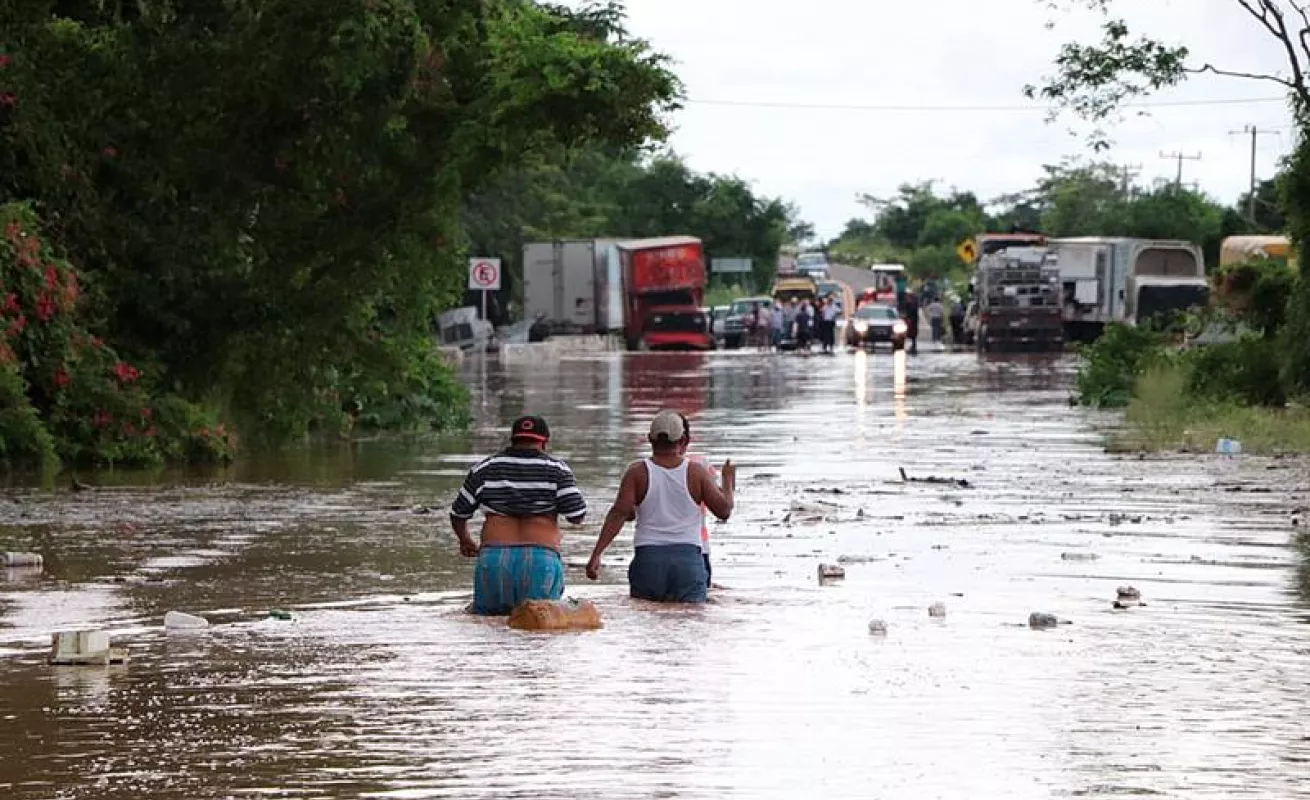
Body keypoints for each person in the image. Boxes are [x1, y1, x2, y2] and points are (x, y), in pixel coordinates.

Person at [585, 410, 735, 603]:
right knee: (690, 623)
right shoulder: (695, 473)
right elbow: (724, 511)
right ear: (682, 440)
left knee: (647, 619)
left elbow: (619, 513)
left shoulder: (636, 472)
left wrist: (596, 554)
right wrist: (728, 482)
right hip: (687, 561)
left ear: (649, 439)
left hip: (648, 560)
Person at [449, 415, 588, 615]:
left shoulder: (485, 468)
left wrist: (465, 540)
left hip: (493, 560)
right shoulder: (558, 470)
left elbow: (458, 513)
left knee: (490, 630)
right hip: (541, 559)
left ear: (513, 439)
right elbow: (576, 515)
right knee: (537, 632)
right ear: (544, 442)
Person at [902, 290, 920, 355]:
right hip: (910, 320)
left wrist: (909, 318)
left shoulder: (913, 304)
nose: (906, 297)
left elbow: (912, 312)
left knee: (912, 334)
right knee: (909, 334)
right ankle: (912, 346)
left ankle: (913, 346)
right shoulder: (909, 303)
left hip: (912, 321)